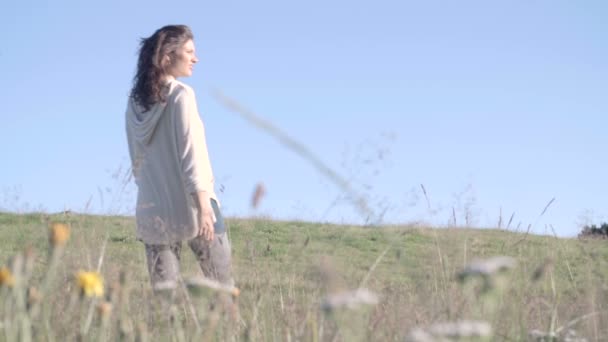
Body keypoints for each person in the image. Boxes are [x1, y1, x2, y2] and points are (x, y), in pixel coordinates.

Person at [125, 25, 233, 290]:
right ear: (167, 57)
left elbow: (135, 162)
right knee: (223, 288)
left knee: (165, 299)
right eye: (189, 52)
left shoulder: (134, 103)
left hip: (153, 207)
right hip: (195, 203)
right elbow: (191, 155)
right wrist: (205, 207)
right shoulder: (182, 96)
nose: (195, 58)